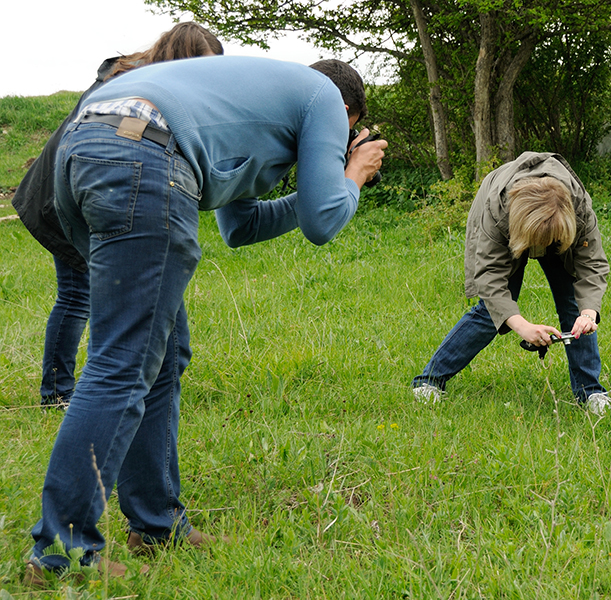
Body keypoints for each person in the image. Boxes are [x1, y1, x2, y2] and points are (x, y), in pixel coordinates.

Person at [25, 55, 386, 581]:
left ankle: (155, 525)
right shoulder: (325, 98)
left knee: (162, 354)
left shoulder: (259, 101)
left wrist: (317, 184)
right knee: (121, 365)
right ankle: (61, 557)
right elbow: (324, 220)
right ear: (349, 115)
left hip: (84, 147)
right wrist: (350, 175)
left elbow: (239, 227)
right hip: (143, 157)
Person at [12, 22, 224, 410]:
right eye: (202, 66)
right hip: (77, 193)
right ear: (183, 57)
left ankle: (111, 389)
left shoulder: (138, 78)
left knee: (116, 295)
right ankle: (60, 392)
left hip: (88, 189)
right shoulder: (132, 84)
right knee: (79, 296)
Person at [411, 152, 611, 416]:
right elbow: (490, 279)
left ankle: (591, 392)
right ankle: (429, 382)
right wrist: (522, 326)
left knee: (575, 307)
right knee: (490, 312)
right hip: (511, 226)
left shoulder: (578, 207)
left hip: (559, 225)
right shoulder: (497, 212)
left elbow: (592, 264)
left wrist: (588, 313)